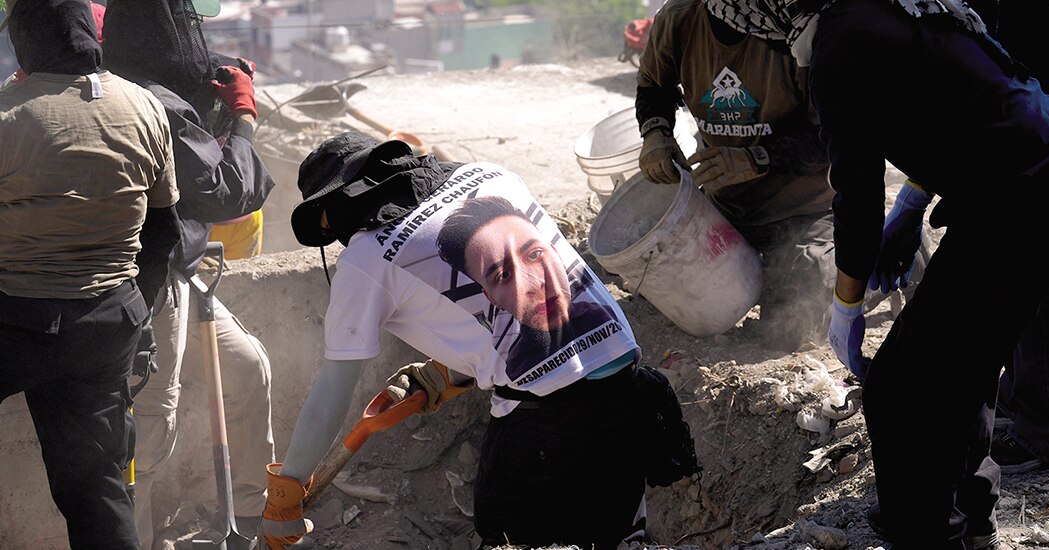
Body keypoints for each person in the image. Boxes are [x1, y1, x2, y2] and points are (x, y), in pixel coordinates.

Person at [707, 0, 1049, 548]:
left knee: (901, 387)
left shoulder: (837, 46)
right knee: (962, 366)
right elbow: (948, 102)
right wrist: (911, 210)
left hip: (1025, 198)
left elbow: (857, 193)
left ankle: (929, 530)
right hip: (1030, 182)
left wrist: (846, 307)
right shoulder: (867, 14)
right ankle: (964, 512)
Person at [256, 132, 650, 550]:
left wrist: (287, 491)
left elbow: (334, 387)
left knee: (508, 537)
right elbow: (525, 302)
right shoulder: (493, 176)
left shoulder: (366, 257)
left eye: (329, 228)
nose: (339, 239)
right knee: (618, 533)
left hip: (546, 413)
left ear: (337, 206)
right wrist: (446, 371)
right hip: (626, 375)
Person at [0, 0, 180, 547]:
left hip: (15, 321)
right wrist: (131, 313)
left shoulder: (7, 114)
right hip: (106, 324)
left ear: (25, 43)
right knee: (97, 491)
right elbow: (163, 233)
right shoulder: (145, 108)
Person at [101, 0, 277, 546]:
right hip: (143, 282)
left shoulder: (124, 78)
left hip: (175, 270)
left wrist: (216, 84)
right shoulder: (151, 102)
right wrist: (243, 120)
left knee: (249, 368)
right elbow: (225, 190)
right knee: (153, 431)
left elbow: (180, 87)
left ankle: (249, 518)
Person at [635, 0, 836, 352]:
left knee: (790, 328)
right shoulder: (680, 18)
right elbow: (654, 85)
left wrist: (758, 158)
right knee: (681, 305)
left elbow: (834, 138)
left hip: (809, 208)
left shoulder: (801, 26)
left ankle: (884, 252)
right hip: (728, 209)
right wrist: (656, 135)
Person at [967, 0, 1049, 475]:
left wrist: (918, 197)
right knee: (1023, 252)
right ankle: (1025, 399)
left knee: (1037, 260)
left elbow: (993, 96)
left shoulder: (1024, 8)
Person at [436, 195, 618, 377]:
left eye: (534, 255)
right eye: (503, 275)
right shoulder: (519, 368)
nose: (534, 285)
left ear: (555, 252)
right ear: (491, 298)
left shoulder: (601, 315)